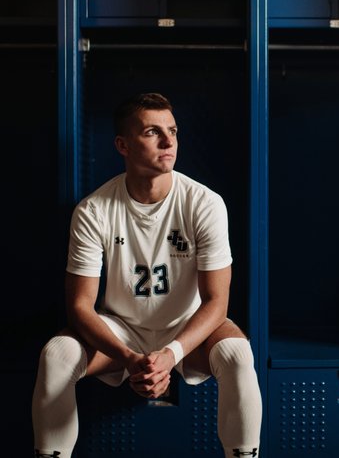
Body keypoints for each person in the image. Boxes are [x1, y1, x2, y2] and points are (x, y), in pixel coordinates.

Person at [32, 92, 262, 458]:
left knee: (237, 353)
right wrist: (127, 356)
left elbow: (217, 302)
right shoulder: (94, 210)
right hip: (122, 329)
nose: (169, 142)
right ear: (123, 145)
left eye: (172, 131)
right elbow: (80, 305)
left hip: (187, 329)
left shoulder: (204, 203)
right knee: (56, 355)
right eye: (153, 132)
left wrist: (170, 354)